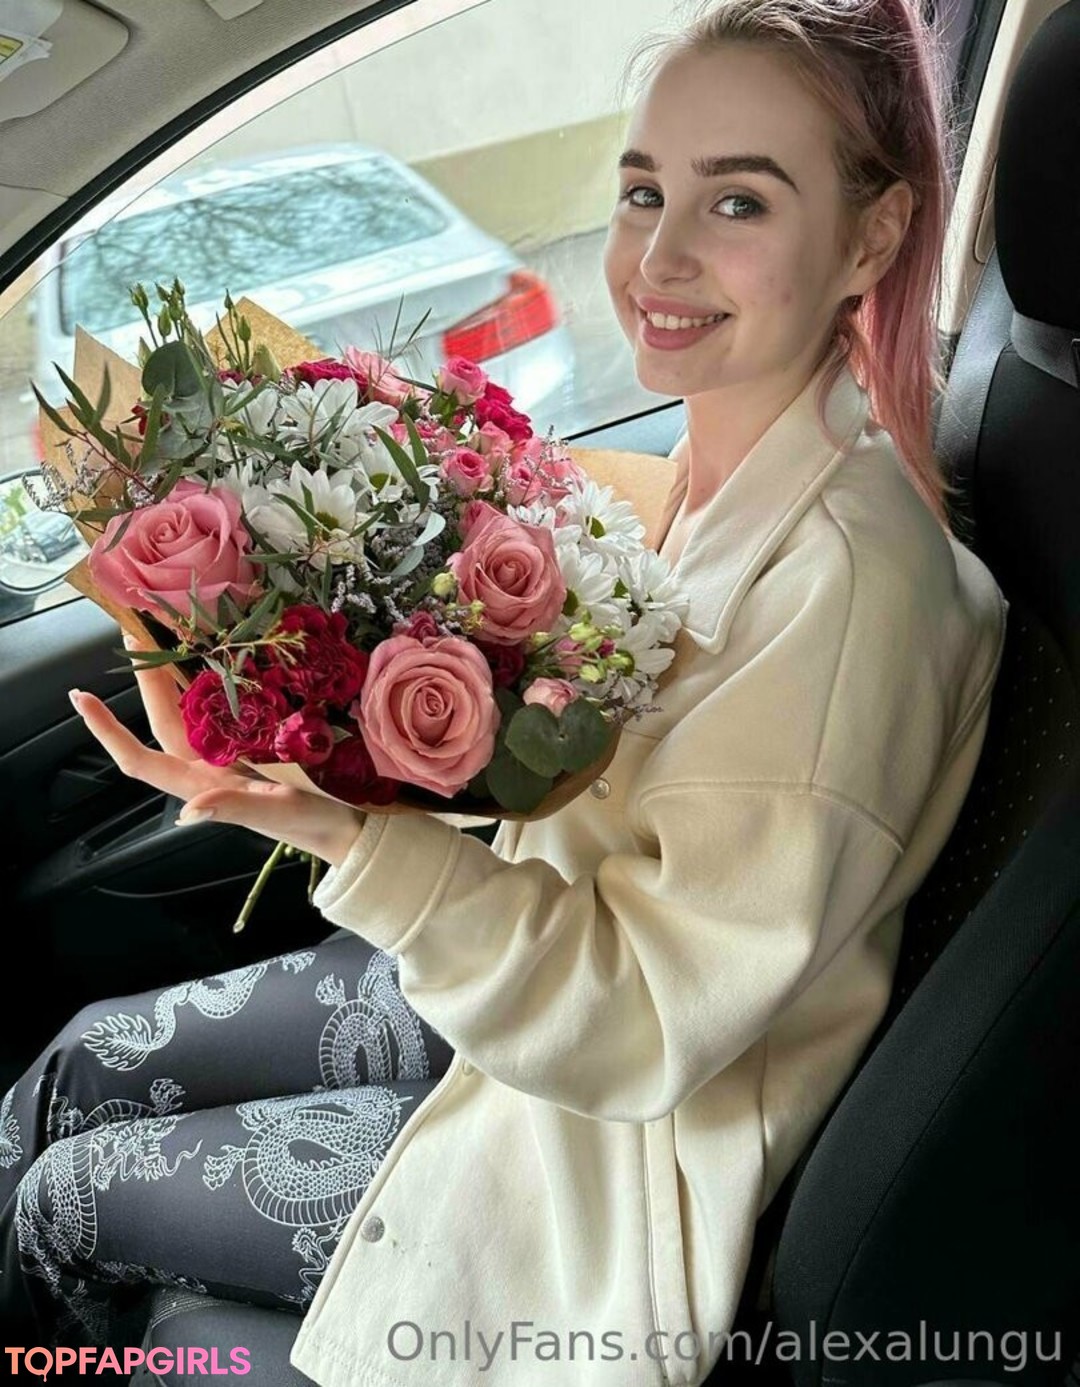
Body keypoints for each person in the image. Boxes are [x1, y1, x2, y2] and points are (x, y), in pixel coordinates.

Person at [0, 0, 1008, 1383]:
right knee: (70, 1067)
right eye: (645, 191)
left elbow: (647, 1018)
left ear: (873, 237)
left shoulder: (846, 591)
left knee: (66, 1194)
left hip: (595, 1154)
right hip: (511, 990)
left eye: (738, 202)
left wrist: (350, 836)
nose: (659, 256)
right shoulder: (712, 478)